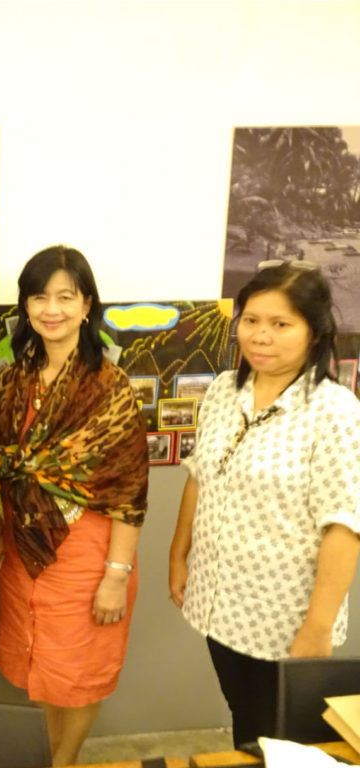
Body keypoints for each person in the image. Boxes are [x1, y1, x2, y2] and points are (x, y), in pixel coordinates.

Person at [169, 260, 360, 748]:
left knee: (284, 734)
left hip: (284, 613)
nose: (260, 336)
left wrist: (318, 626)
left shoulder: (335, 412)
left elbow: (344, 524)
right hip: (219, 600)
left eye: (281, 324)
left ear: (314, 332)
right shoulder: (221, 392)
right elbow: (200, 477)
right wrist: (178, 554)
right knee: (244, 714)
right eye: (251, 320)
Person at [0, 246, 148, 767]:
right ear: (25, 306)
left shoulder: (110, 388)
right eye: (39, 296)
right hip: (23, 551)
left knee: (80, 671)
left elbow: (130, 493)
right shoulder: (10, 380)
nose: (52, 309)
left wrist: (116, 573)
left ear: (87, 304)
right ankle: (48, 756)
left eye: (65, 297)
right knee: (40, 667)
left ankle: (64, 760)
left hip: (87, 553)